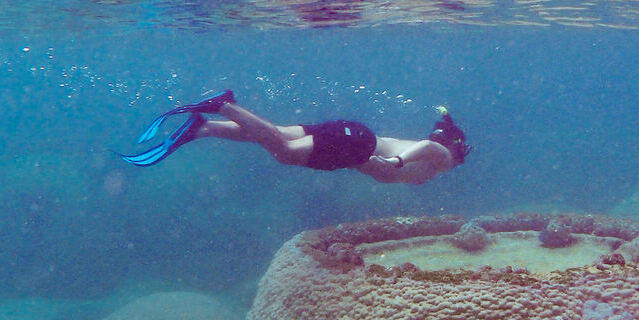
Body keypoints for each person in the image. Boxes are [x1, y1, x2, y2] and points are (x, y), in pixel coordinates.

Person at [122, 90, 468, 186]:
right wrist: (396, 162)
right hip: (357, 145)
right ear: (455, 146)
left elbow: (420, 146)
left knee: (278, 134)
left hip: (354, 138)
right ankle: (223, 105)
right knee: (284, 151)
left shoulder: (432, 157)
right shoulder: (443, 159)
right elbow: (427, 146)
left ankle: (203, 127)